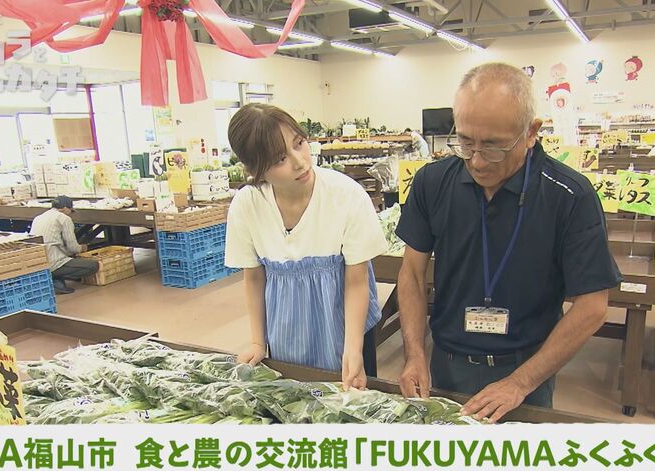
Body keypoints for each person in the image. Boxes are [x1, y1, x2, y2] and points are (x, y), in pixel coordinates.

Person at [395, 63, 621, 422]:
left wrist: (519, 382)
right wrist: (414, 354)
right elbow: (411, 272)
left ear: (531, 132)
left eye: (494, 147)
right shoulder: (432, 183)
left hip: (527, 370)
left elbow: (592, 306)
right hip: (446, 363)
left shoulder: (569, 195)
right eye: (465, 142)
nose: (477, 161)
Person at [224, 104, 388, 390]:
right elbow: (254, 278)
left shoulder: (346, 195)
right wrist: (257, 341)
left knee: (350, 405)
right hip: (286, 330)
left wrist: (353, 349)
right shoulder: (247, 205)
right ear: (255, 170)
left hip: (346, 327)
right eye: (280, 159)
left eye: (299, 143)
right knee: (294, 401)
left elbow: (357, 280)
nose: (299, 162)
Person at [29, 196, 99, 294]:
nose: (70, 213)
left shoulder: (38, 218)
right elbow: (73, 248)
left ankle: (55, 280)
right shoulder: (64, 219)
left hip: (36, 262)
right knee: (93, 266)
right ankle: (54, 278)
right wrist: (83, 248)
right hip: (53, 262)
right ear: (65, 208)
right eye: (70, 210)